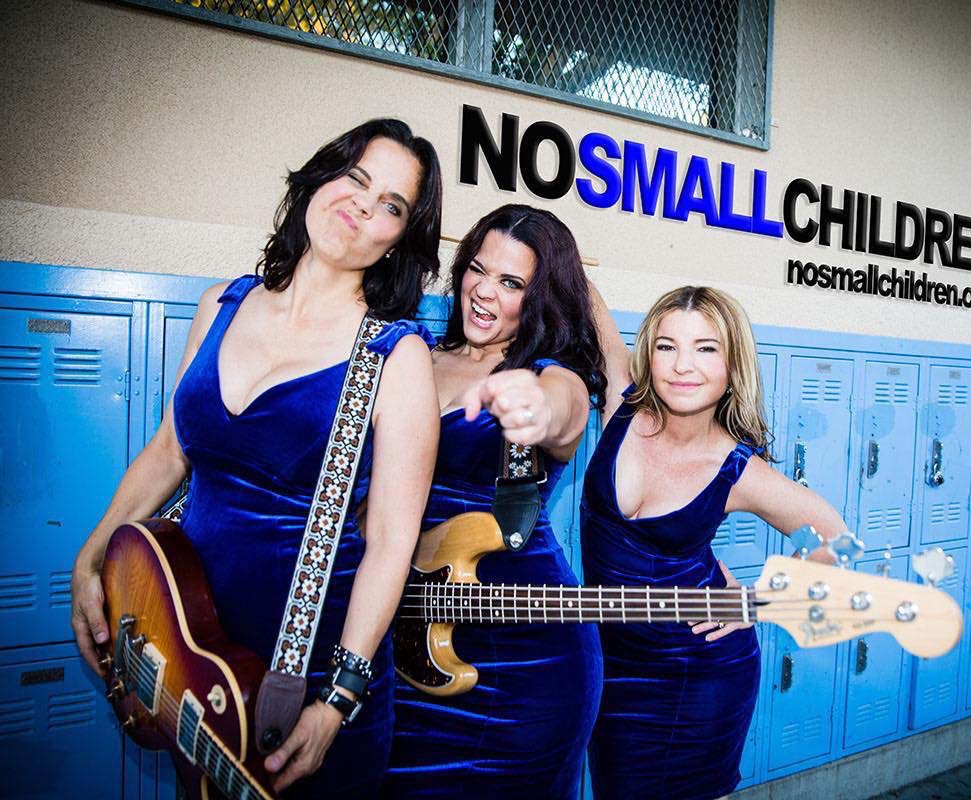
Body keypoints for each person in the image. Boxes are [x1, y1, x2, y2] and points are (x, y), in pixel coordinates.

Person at [69, 118, 443, 797]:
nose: (363, 205)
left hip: (307, 675)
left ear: (400, 238)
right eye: (356, 178)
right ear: (318, 179)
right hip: (184, 644)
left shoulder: (396, 356)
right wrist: (90, 558)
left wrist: (340, 699)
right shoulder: (221, 305)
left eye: (390, 204)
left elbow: (392, 540)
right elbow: (168, 451)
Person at [581, 286, 847, 800]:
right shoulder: (622, 404)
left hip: (699, 670)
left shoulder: (738, 469)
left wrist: (757, 600)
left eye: (706, 348)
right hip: (613, 663)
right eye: (666, 346)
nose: (683, 365)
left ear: (732, 366)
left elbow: (835, 540)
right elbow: (587, 300)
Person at [384, 204, 607, 799]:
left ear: (540, 299)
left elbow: (564, 411)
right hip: (407, 637)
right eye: (477, 270)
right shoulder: (413, 355)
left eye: (511, 283)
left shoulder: (551, 375)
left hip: (527, 662)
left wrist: (535, 405)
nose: (483, 292)